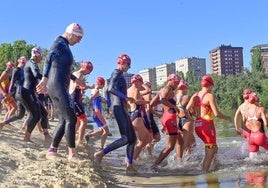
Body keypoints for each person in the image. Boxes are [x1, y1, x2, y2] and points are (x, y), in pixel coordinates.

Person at [36, 23, 86, 163]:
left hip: (58, 85)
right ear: (71, 33)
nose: (79, 41)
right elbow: (49, 58)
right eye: (78, 38)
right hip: (56, 85)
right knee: (72, 118)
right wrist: (45, 79)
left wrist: (76, 79)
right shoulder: (60, 42)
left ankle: (52, 150)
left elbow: (63, 68)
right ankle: (72, 155)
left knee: (64, 119)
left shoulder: (64, 45)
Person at [93, 54, 137, 173]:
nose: (129, 67)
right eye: (128, 64)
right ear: (121, 62)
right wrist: (126, 98)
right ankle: (101, 154)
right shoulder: (116, 72)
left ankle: (129, 166)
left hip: (120, 108)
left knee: (132, 139)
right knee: (125, 138)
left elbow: (108, 91)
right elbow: (110, 88)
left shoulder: (119, 74)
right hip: (119, 108)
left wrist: (108, 105)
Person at [186, 74, 231, 172]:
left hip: (198, 125)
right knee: (209, 153)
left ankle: (215, 167)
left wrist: (192, 117)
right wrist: (227, 118)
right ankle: (205, 173)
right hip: (207, 126)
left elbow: (186, 109)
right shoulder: (209, 96)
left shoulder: (195, 94)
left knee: (214, 148)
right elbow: (216, 114)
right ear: (210, 85)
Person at [151, 73, 182, 168]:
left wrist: (159, 114)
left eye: (177, 83)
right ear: (170, 81)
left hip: (166, 117)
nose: (177, 85)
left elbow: (152, 103)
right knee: (170, 146)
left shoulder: (162, 90)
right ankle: (155, 165)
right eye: (175, 82)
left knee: (180, 141)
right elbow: (163, 100)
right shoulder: (167, 89)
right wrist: (174, 107)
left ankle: (180, 161)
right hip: (170, 118)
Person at [22, 46, 51, 141]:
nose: (42, 58)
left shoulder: (32, 63)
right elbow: (36, 74)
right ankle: (26, 136)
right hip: (27, 92)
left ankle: (46, 135)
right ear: (36, 55)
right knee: (36, 115)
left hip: (31, 92)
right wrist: (46, 78)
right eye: (41, 56)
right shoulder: (31, 63)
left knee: (44, 112)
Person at [127, 74, 152, 160]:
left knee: (147, 137)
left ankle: (137, 157)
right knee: (142, 141)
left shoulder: (128, 90)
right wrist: (147, 102)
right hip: (137, 115)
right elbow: (136, 100)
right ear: (138, 82)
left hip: (132, 114)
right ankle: (132, 160)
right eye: (140, 82)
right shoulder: (136, 89)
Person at [69, 61, 94, 146]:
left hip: (75, 98)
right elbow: (78, 85)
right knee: (84, 121)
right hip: (75, 99)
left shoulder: (75, 73)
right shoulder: (79, 74)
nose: (89, 73)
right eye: (89, 71)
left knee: (77, 122)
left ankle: (71, 138)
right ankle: (79, 141)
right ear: (85, 68)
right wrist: (89, 86)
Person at [0, 57, 27, 131]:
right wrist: (4, 93)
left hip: (7, 93)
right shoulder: (5, 72)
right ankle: (4, 123)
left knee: (10, 108)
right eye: (11, 67)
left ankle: (5, 122)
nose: (12, 69)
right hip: (4, 93)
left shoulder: (8, 73)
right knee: (14, 107)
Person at [85, 76, 110, 150]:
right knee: (106, 131)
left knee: (101, 130)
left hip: (95, 114)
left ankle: (89, 135)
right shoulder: (97, 91)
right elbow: (92, 101)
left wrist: (105, 100)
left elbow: (96, 100)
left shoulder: (94, 91)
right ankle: (102, 147)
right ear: (100, 84)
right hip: (97, 113)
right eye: (103, 84)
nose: (103, 86)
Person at [243, 92, 268, 158]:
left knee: (253, 159)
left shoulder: (245, 111)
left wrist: (249, 133)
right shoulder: (261, 109)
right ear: (257, 99)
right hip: (260, 136)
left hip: (251, 137)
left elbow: (242, 126)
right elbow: (266, 123)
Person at [176, 80, 195, 157]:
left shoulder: (175, 97)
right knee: (186, 144)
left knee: (192, 143)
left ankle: (188, 158)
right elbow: (192, 111)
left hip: (179, 121)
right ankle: (178, 162)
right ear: (185, 88)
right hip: (187, 121)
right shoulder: (188, 97)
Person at [142, 81, 161, 156]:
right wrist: (158, 114)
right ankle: (149, 154)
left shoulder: (141, 95)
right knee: (157, 137)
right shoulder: (148, 95)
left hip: (143, 117)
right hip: (149, 118)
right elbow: (148, 108)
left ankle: (145, 151)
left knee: (147, 138)